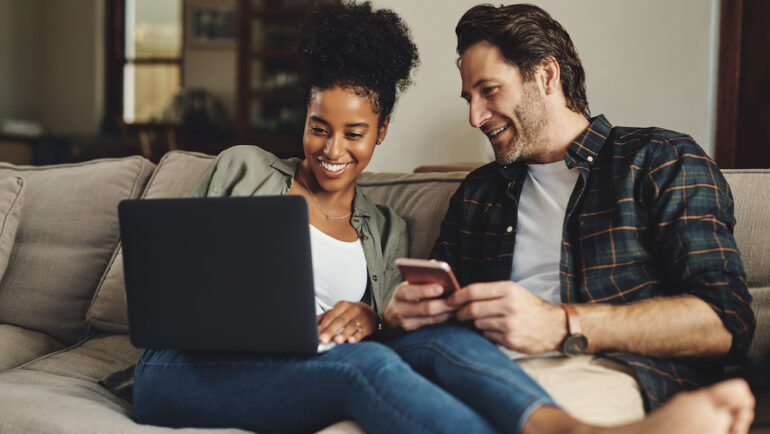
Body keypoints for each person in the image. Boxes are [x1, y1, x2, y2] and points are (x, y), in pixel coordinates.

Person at [130, 3, 567, 433]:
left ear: (382, 130)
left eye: (354, 134)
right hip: (181, 367)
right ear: (304, 116)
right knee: (365, 366)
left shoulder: (386, 228)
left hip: (309, 369)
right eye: (318, 128)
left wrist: (371, 318)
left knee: (407, 351)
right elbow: (167, 278)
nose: (332, 151)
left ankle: (552, 424)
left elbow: (397, 332)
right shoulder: (243, 168)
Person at [383, 3, 757, 433]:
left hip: (605, 371)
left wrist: (561, 325)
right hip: (481, 374)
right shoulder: (478, 193)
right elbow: (434, 312)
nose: (475, 117)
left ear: (546, 75)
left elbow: (725, 321)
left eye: (489, 91)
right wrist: (401, 315)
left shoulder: (658, 159)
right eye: (470, 98)